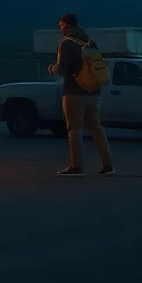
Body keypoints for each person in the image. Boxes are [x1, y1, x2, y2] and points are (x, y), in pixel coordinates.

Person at [48, 14, 114, 176]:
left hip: (74, 93)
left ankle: (76, 166)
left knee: (74, 129)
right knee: (96, 128)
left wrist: (51, 68)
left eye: (61, 25)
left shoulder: (67, 43)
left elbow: (61, 69)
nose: (60, 28)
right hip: (94, 91)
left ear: (67, 25)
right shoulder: (90, 41)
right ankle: (108, 165)